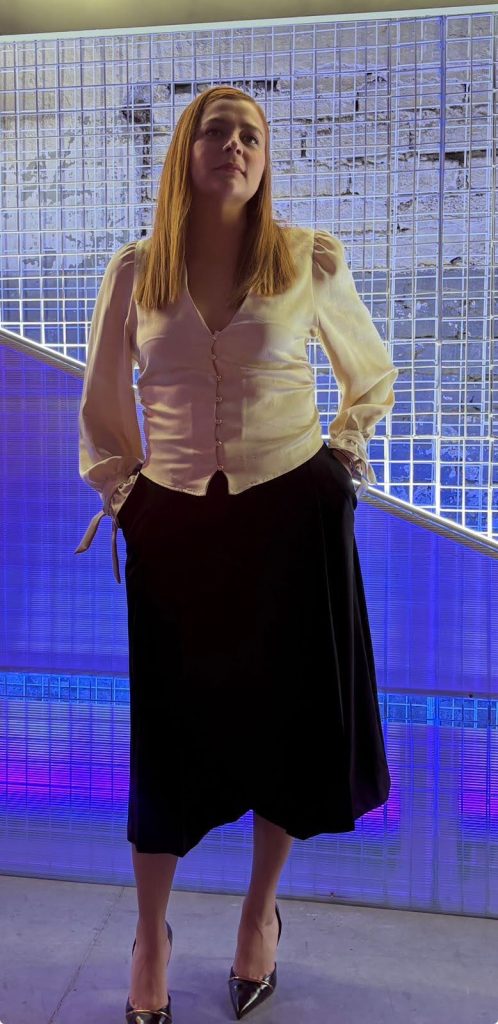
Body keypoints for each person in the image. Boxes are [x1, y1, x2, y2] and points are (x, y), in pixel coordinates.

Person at [75, 85, 398, 1024]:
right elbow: (103, 399)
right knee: (169, 738)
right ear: (186, 151)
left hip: (293, 519)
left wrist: (340, 460)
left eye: (251, 134)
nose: (235, 144)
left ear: (266, 159)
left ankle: (260, 916)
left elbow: (369, 373)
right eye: (216, 130)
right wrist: (126, 496)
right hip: (177, 528)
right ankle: (150, 937)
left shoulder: (305, 260)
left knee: (286, 729)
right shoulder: (138, 271)